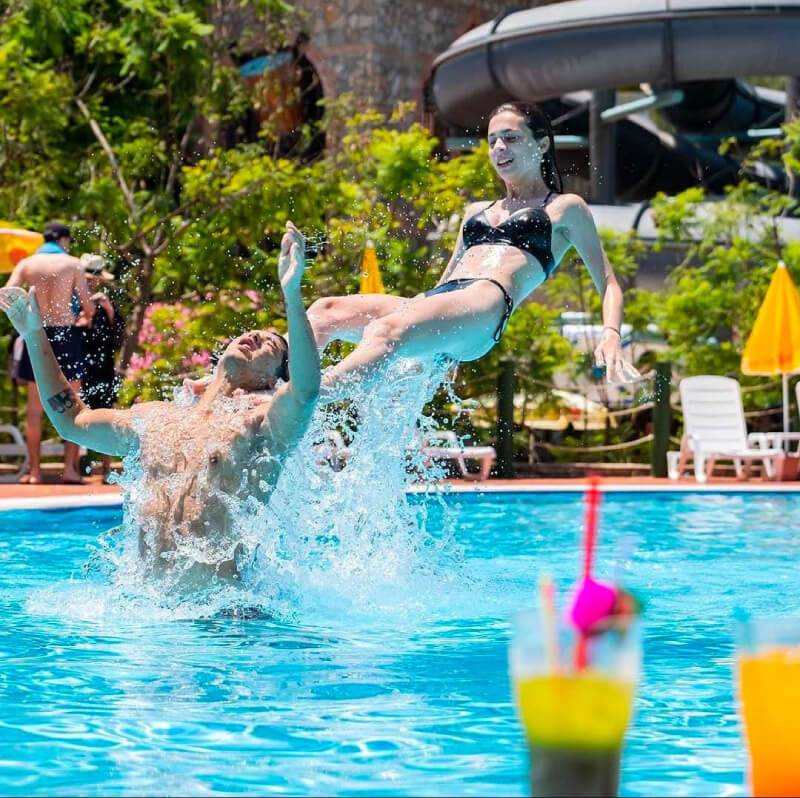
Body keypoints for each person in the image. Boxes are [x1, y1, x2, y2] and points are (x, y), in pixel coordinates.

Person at [0, 222, 319, 584]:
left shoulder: (261, 427)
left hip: (225, 625)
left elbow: (305, 392)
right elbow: (71, 421)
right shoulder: (155, 418)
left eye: (271, 347)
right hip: (149, 618)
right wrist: (33, 332)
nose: (256, 335)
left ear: (273, 380)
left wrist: (292, 296)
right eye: (251, 334)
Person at [306, 102, 640, 401]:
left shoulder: (566, 208)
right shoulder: (475, 211)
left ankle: (303, 399)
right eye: (492, 140)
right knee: (325, 311)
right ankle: (276, 391)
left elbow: (609, 283)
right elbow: (446, 279)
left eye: (510, 138)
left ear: (541, 145)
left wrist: (610, 334)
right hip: (448, 301)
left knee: (384, 330)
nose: (498, 147)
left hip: (487, 305)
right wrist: (424, 326)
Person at [4, 221, 94, 483]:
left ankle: (34, 472)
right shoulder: (73, 263)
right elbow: (88, 308)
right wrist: (82, 315)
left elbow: (7, 296)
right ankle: (70, 470)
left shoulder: (27, 264)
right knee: (74, 404)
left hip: (37, 334)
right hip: (67, 335)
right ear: (64, 240)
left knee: (35, 408)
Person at [78, 254, 126, 482]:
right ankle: (79, 465)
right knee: (78, 413)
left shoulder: (108, 302)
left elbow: (118, 338)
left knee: (107, 413)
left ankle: (107, 469)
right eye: (88, 279)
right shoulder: (74, 301)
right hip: (82, 366)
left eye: (94, 279)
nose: (92, 283)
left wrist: (108, 310)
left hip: (104, 367)